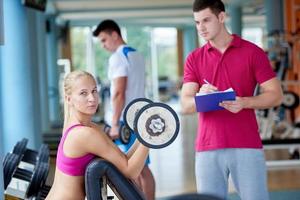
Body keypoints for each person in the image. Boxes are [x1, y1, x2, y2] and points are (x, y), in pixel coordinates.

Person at [180, 0, 283, 199]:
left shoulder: (253, 52)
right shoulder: (194, 58)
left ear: (221, 17)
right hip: (207, 147)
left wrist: (245, 102)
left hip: (246, 144)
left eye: (206, 20)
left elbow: (276, 94)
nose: (201, 27)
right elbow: (185, 104)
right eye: (197, 22)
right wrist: (201, 97)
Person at [46, 70, 149, 200]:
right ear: (68, 99)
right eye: (83, 93)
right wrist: (150, 138)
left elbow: (123, 160)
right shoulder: (84, 134)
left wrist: (143, 134)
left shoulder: (89, 127)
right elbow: (131, 172)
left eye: (94, 91)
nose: (92, 98)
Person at [92, 19, 155, 200]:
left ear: (115, 35)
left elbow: (119, 93)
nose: (103, 45)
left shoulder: (117, 57)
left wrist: (114, 124)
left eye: (104, 40)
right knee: (143, 168)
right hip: (139, 116)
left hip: (125, 120)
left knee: (130, 169)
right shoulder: (137, 55)